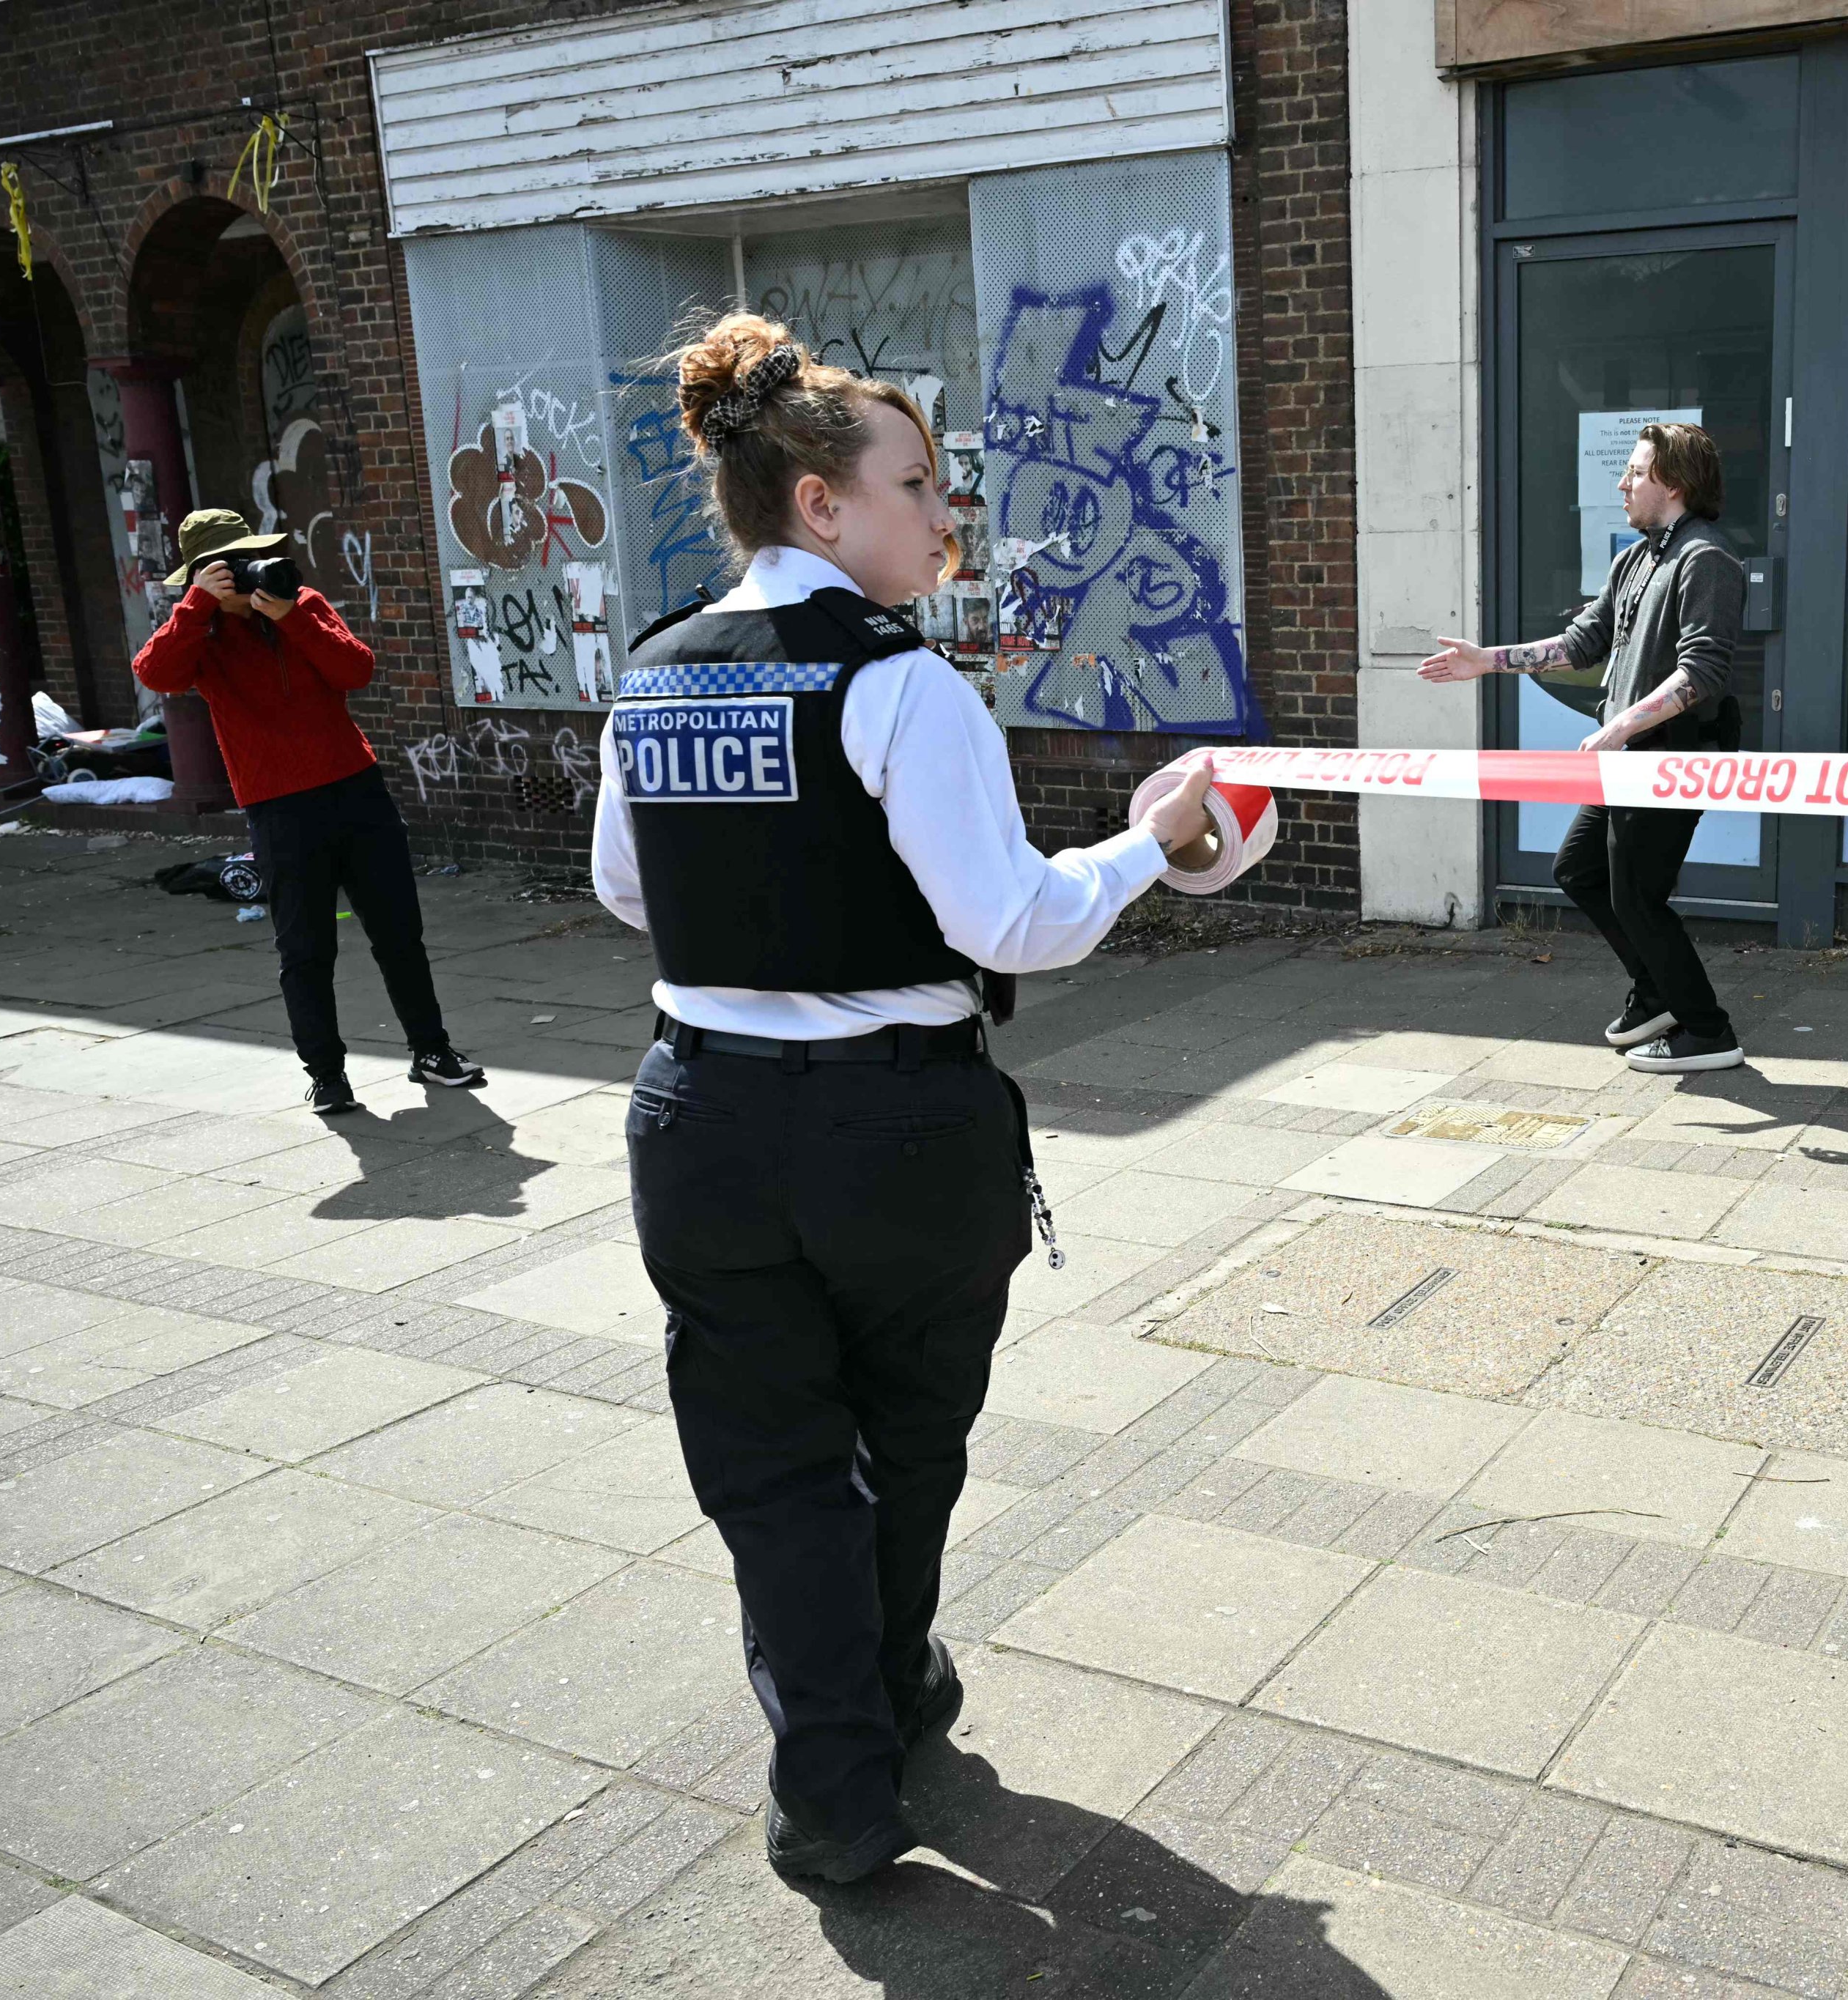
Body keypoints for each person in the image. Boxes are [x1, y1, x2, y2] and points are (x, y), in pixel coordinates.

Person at [591, 311, 1220, 1885]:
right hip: (894, 1133)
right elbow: (1012, 923)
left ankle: (836, 1788)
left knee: (773, 1469)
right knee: (907, 1439)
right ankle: (889, 1688)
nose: (946, 516)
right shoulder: (898, 684)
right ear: (821, 503)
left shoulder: (656, 673)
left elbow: (625, 892)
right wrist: (1154, 842)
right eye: (921, 484)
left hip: (702, 1120)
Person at [1419, 421, 1748, 1073]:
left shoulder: (1705, 559)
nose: (1622, 483)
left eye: (1636, 471)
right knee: (1579, 869)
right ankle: (1657, 994)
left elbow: (1702, 670)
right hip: (1628, 758)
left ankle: (1707, 1032)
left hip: (1669, 756)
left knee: (1637, 897)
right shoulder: (1638, 557)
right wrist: (1486, 661)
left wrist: (1621, 726)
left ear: (1674, 483)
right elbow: (1581, 642)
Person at [133, 508, 483, 1114]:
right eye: (228, 566)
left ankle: (432, 1051)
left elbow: (357, 669)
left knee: (399, 933)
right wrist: (193, 607)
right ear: (201, 574)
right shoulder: (200, 634)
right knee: (305, 949)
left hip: (356, 790)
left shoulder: (299, 603)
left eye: (248, 559)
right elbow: (156, 675)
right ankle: (326, 1074)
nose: (244, 574)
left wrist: (291, 618)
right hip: (278, 808)